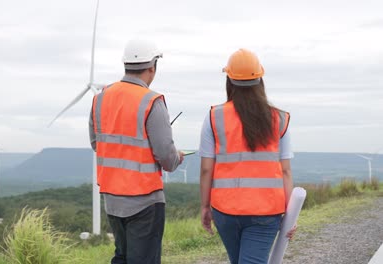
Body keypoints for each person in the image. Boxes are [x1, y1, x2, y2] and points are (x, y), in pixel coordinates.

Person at [89, 38, 184, 264]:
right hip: (144, 200)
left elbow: (97, 144)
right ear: (152, 67)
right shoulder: (151, 101)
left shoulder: (100, 98)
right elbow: (167, 158)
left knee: (122, 257)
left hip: (112, 198)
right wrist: (177, 156)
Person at [199, 48, 296, 264]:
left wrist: (205, 206)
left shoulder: (214, 117)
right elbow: (286, 170)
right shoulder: (279, 119)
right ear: (260, 80)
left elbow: (207, 169)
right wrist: (291, 215)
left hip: (225, 210)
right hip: (266, 211)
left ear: (229, 80)